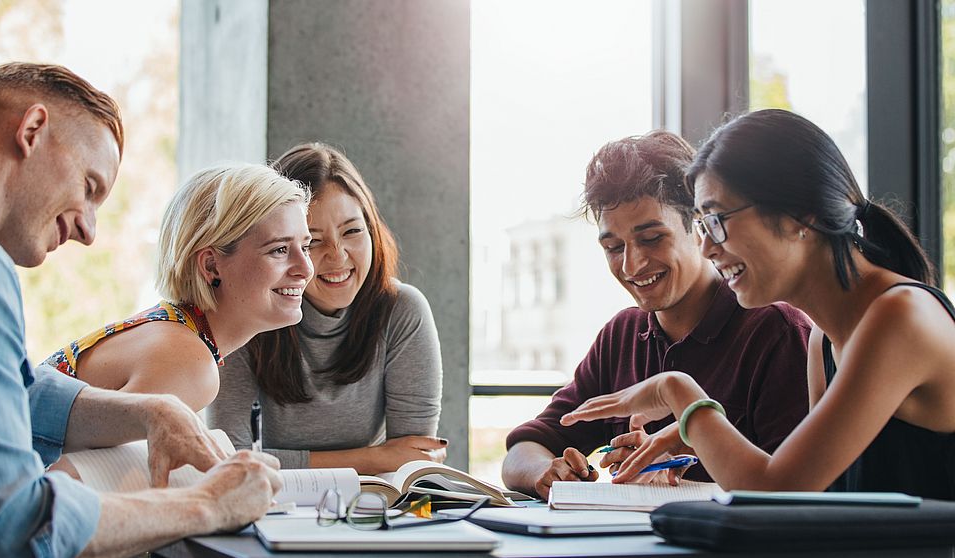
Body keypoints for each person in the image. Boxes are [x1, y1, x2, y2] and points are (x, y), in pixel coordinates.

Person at [0, 62, 283, 558]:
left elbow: (10, 391)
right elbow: (17, 530)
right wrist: (209, 504)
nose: (88, 230)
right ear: (32, 131)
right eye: (90, 186)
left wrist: (152, 412)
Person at [562, 109, 955, 499]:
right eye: (701, 224)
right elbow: (814, 504)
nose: (706, 247)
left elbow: (779, 490)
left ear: (801, 214)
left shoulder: (900, 316)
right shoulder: (823, 340)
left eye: (717, 220)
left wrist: (679, 393)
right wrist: (697, 441)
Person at [502, 130, 812, 499]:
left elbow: (793, 490)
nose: (632, 264)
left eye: (651, 239)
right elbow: (524, 449)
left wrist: (683, 458)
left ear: (699, 227)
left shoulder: (775, 331)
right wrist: (546, 471)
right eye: (614, 247)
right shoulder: (622, 335)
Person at [209, 142, 445, 474]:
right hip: (272, 506)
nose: (337, 256)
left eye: (352, 231)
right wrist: (373, 457)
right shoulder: (247, 312)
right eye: (313, 241)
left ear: (373, 231)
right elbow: (230, 459)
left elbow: (412, 459)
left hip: (371, 506)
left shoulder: (402, 310)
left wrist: (386, 461)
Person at [43, 163, 314, 412]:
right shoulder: (189, 364)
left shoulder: (177, 332)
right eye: (279, 250)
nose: (306, 269)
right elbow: (76, 465)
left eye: (305, 247)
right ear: (211, 266)